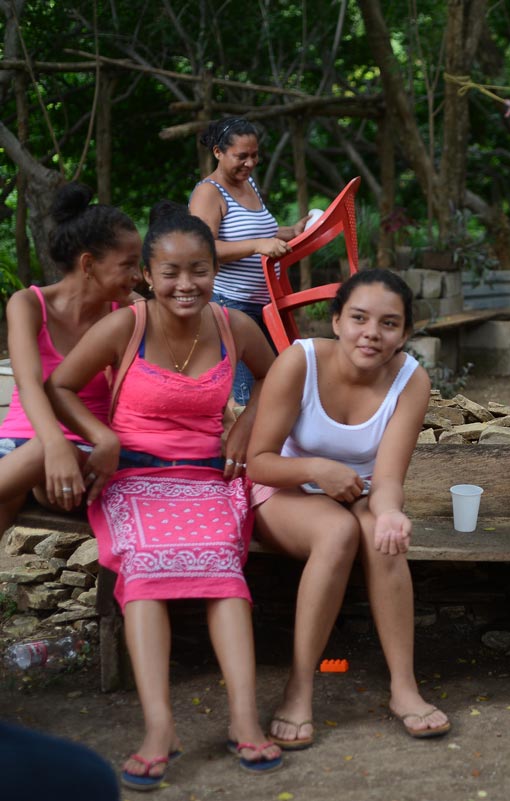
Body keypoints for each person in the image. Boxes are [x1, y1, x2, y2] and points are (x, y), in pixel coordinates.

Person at [47, 202, 279, 790]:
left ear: (213, 271)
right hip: (131, 480)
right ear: (148, 274)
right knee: (145, 572)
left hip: (208, 479)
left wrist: (248, 424)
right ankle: (159, 728)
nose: (186, 284)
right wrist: (100, 435)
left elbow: (280, 377)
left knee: (224, 571)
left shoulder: (234, 325)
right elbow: (61, 384)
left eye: (199, 270)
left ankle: (245, 719)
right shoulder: (128, 324)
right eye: (171, 272)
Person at [246, 268, 449, 749]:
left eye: (388, 324)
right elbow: (259, 463)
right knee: (337, 532)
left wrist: (392, 513)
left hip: (360, 492)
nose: (371, 334)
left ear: (404, 333)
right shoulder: (301, 362)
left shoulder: (409, 380)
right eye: (359, 318)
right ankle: (299, 687)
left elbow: (388, 481)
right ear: (336, 320)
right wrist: (317, 468)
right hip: (287, 490)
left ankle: (404, 687)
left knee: (385, 539)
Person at [0, 183, 140, 530]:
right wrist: (53, 443)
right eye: (128, 265)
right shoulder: (28, 304)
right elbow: (30, 384)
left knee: (33, 456)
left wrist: (59, 447)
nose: (138, 276)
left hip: (86, 457)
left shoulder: (129, 314)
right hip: (20, 446)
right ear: (88, 264)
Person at [188, 116, 306, 404]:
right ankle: (244, 450)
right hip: (233, 305)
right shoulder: (209, 192)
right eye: (241, 156)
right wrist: (257, 246)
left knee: (278, 385)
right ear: (218, 152)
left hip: (265, 304)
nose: (250, 163)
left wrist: (291, 231)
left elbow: (258, 231)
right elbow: (201, 248)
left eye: (255, 155)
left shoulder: (248, 183)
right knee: (248, 397)